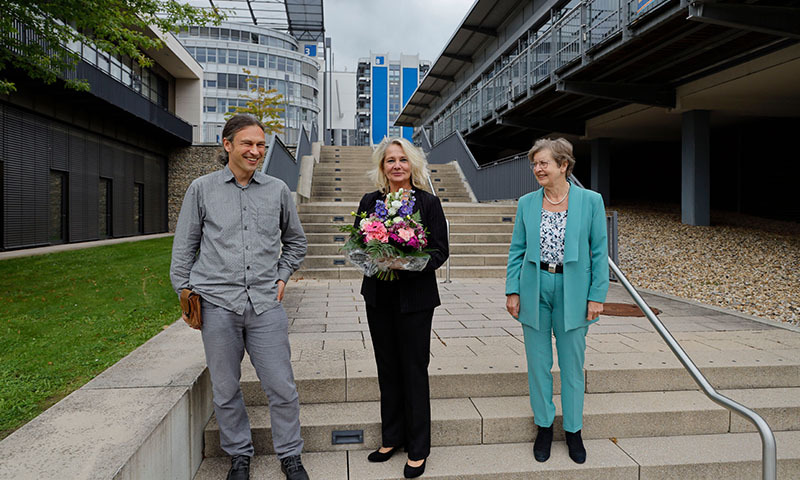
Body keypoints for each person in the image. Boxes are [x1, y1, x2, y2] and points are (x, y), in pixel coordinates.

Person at [170, 115, 309, 480]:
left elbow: (296, 242)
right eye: (248, 143)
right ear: (227, 144)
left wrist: (282, 276)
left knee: (281, 385)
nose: (256, 151)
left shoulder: (277, 190)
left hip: (265, 305)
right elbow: (184, 247)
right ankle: (239, 456)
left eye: (261, 144)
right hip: (217, 305)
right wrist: (185, 293)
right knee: (226, 387)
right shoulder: (201, 189)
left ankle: (291, 456)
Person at [505, 137, 608, 464]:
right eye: (534, 163)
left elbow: (599, 252)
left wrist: (596, 296)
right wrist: (512, 289)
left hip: (574, 290)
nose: (537, 169)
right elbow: (517, 250)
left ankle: (574, 430)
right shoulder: (526, 203)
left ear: (563, 165)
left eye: (543, 163)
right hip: (535, 286)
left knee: (572, 366)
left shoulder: (590, 201)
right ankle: (545, 427)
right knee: (538, 365)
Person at [355, 137, 449, 479]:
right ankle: (391, 437)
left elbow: (440, 251)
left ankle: (418, 447)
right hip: (379, 297)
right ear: (382, 166)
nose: (397, 166)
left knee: (413, 368)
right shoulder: (370, 201)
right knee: (387, 367)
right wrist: (376, 259)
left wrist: (406, 264)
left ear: (413, 165)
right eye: (390, 160)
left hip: (416, 299)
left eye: (403, 160)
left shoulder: (428, 203)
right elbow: (357, 246)